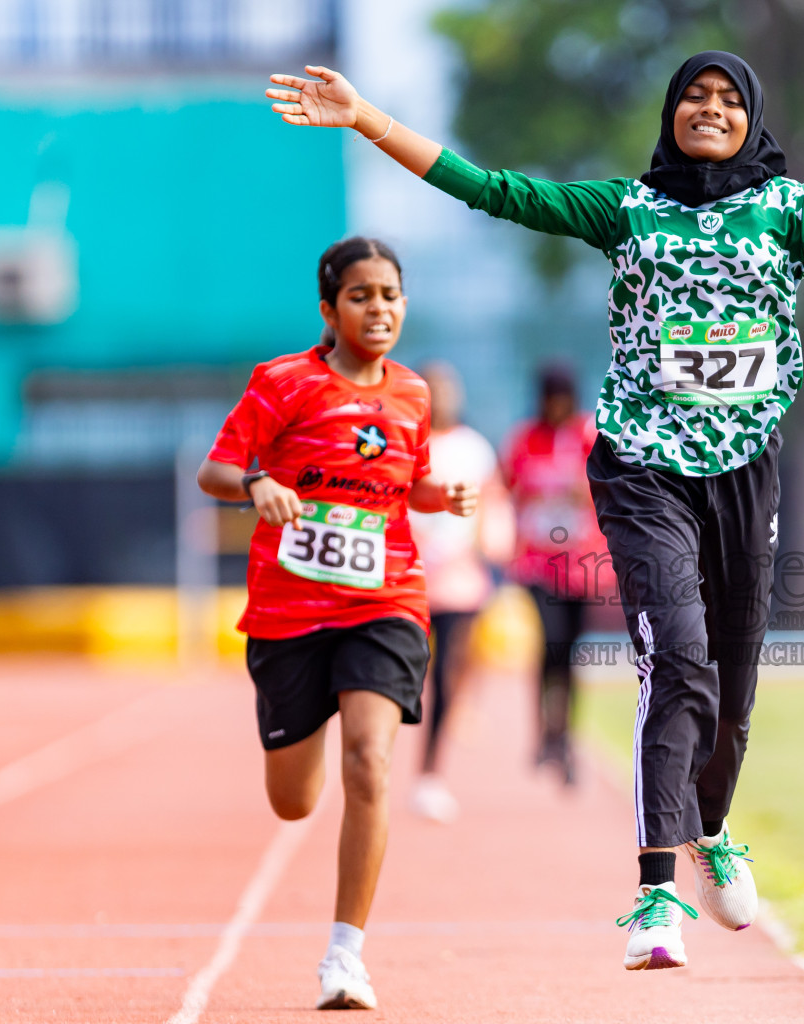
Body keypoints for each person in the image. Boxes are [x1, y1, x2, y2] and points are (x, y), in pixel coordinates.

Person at [265, 51, 804, 972]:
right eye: (694, 95)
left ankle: (715, 827)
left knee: (731, 693)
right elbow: (494, 190)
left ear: (753, 120)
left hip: (743, 471)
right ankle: (656, 894)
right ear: (670, 113)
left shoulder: (790, 212)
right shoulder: (626, 209)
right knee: (677, 657)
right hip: (643, 467)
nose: (710, 108)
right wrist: (367, 117)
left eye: (729, 99)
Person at [196, 237, 478, 1009]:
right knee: (293, 800)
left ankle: (345, 957)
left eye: (389, 294)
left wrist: (439, 499)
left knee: (369, 763)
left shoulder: (414, 395)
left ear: (404, 305)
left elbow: (410, 485)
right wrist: (256, 484)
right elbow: (214, 469)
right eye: (361, 296)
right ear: (329, 309)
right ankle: (302, 744)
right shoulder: (283, 383)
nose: (378, 309)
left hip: (383, 603)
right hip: (288, 611)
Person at [408, 361, 514, 822]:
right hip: (406, 576)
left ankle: (430, 773)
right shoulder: (407, 443)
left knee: (449, 674)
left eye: (449, 388)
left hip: (458, 578)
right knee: (404, 672)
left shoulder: (475, 448)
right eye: (435, 389)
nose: (443, 396)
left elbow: (491, 505)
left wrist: (488, 549)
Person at [500, 364, 607, 785]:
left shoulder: (590, 435)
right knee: (549, 645)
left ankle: (565, 738)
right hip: (537, 564)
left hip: (581, 564)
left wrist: (582, 489)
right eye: (550, 398)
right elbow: (506, 486)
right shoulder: (525, 438)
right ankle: (544, 733)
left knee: (569, 654)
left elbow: (610, 484)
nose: (556, 406)